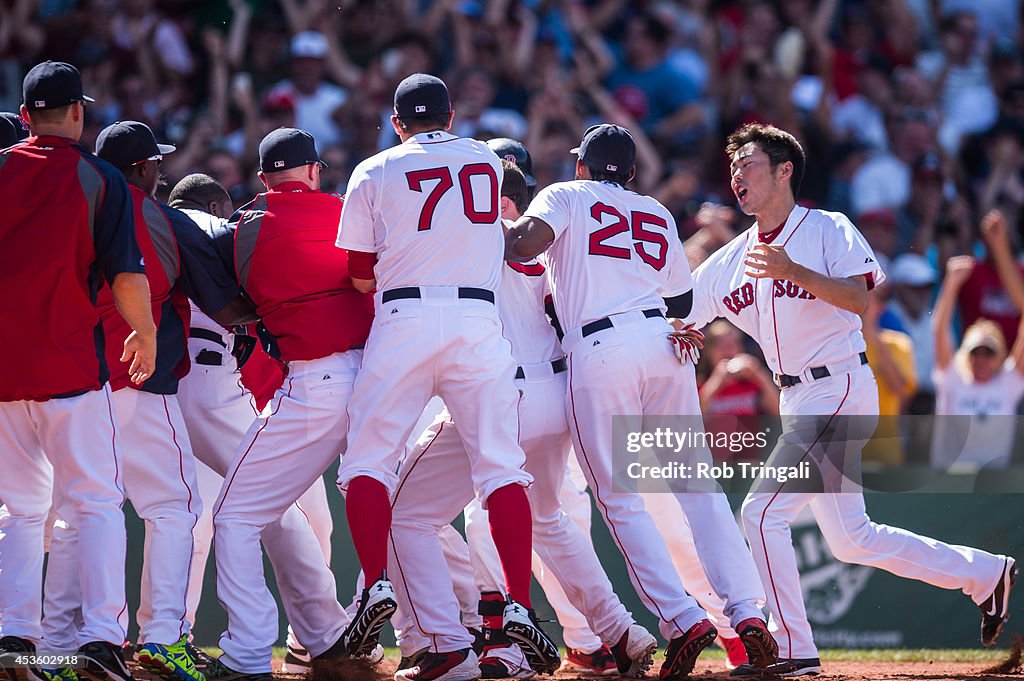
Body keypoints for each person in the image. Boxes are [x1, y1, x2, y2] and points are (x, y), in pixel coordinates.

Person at [686, 122, 1017, 676]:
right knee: (851, 539)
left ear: (784, 170)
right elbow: (682, 310)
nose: (738, 175)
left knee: (761, 512)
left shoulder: (826, 228)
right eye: (734, 168)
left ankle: (791, 647)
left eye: (749, 165)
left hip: (838, 382)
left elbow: (858, 298)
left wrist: (794, 271)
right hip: (797, 397)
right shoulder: (731, 258)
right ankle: (985, 574)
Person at [504, 123, 778, 681]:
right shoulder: (651, 208)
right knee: (698, 489)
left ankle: (681, 619)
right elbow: (679, 297)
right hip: (664, 343)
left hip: (602, 348)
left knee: (619, 498)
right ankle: (748, 613)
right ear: (629, 173)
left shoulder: (566, 194)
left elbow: (522, 245)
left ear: (582, 165)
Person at [389, 159, 658, 681]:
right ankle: (620, 630)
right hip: (552, 392)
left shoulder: (485, 236)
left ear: (501, 202)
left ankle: (456, 644)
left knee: (406, 513)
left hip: (500, 394)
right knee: (545, 519)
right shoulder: (547, 251)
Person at [336, 74, 558, 679]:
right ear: (452, 116)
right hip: (478, 321)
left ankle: (375, 586)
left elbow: (358, 275)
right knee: (500, 467)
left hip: (403, 315)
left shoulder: (373, 169)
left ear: (397, 120)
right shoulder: (487, 160)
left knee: (367, 463)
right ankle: (517, 600)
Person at [42, 120, 256, 681]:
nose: (162, 169)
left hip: (76, 380)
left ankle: (56, 647)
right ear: (142, 168)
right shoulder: (158, 214)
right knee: (175, 507)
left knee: (77, 508)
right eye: (156, 162)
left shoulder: (74, 204)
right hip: (141, 379)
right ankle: (162, 635)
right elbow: (226, 306)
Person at [0, 61, 155, 681]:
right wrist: (143, 332)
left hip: (5, 375)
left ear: (27, 111)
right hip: (70, 366)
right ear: (76, 112)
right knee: (94, 503)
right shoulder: (97, 177)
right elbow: (126, 275)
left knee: (18, 510)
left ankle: (13, 638)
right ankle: (98, 641)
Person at [204, 128, 372, 680]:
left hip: (313, 384)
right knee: (415, 516)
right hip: (378, 381)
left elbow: (234, 305)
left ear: (263, 178)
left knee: (233, 516)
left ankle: (250, 652)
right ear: (315, 171)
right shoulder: (352, 212)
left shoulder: (244, 229)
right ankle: (450, 637)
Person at [166, 174, 342, 676]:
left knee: (179, 518)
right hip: (213, 384)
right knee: (275, 513)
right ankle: (322, 634)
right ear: (215, 203)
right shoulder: (226, 227)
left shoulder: (158, 223)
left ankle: (163, 637)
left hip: (158, 386)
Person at [931, 255, 1024, 470]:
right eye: (975, 352)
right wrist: (951, 283)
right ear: (966, 354)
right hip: (950, 483)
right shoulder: (952, 377)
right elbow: (939, 330)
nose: (981, 359)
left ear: (1000, 357)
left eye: (988, 353)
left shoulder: (1009, 382)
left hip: (993, 488)